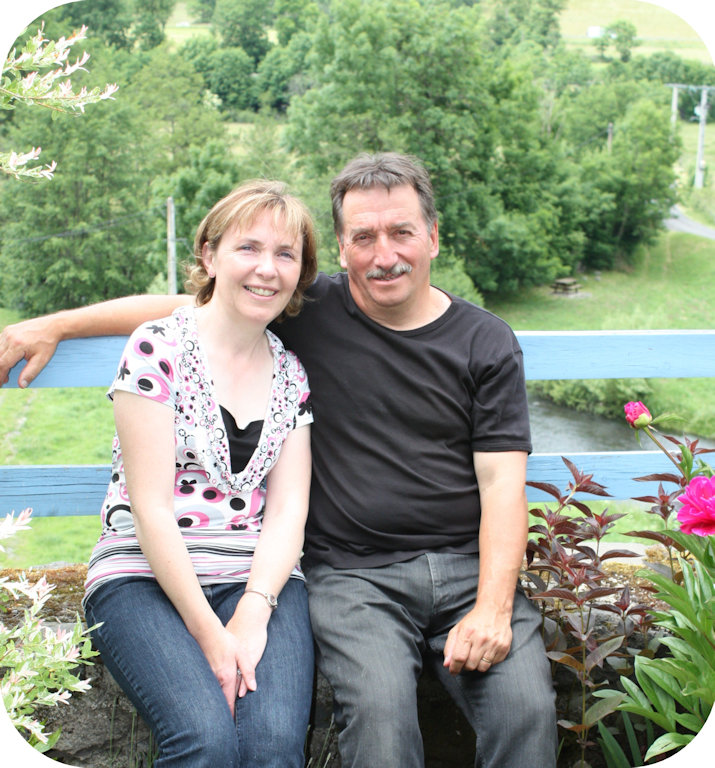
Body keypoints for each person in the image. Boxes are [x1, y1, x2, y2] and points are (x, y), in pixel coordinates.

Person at [0, 153, 557, 768]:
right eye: (363, 237)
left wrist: (493, 606)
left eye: (401, 232)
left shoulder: (476, 341)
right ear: (342, 249)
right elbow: (195, 306)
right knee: (368, 720)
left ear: (432, 236)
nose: (385, 255)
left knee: (525, 713)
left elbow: (503, 485)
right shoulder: (298, 309)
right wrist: (57, 324)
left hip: (448, 570)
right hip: (353, 575)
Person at [79, 180, 317, 768]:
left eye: (285, 254)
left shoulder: (291, 374)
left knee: (273, 748)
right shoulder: (157, 348)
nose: (267, 269)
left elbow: (289, 509)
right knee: (203, 742)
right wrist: (213, 636)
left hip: (257, 580)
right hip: (143, 576)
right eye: (248, 248)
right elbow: (151, 508)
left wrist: (253, 613)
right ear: (210, 256)